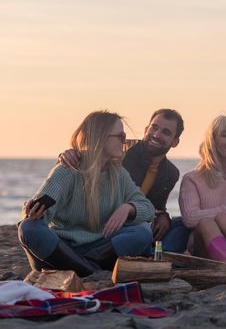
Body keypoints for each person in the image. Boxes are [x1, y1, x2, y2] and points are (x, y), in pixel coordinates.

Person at [18, 111, 155, 277]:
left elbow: (148, 208)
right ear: (101, 137)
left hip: (96, 249)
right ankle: (90, 270)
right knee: (28, 228)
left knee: (143, 231)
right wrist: (33, 213)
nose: (124, 141)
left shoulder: (118, 174)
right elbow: (37, 216)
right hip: (61, 248)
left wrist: (128, 207)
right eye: (120, 136)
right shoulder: (67, 170)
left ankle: (82, 267)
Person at [59, 109, 189, 253]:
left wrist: (163, 215)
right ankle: (148, 251)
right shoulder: (121, 150)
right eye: (154, 127)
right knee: (142, 231)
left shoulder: (171, 173)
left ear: (175, 142)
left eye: (166, 132)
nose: (156, 135)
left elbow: (156, 205)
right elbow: (90, 153)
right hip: (111, 222)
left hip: (138, 218)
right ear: (146, 129)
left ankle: (158, 253)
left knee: (184, 224)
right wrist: (70, 154)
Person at [179, 115, 226, 266]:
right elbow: (189, 218)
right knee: (208, 221)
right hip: (204, 247)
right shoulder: (192, 179)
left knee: (224, 218)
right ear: (213, 141)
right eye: (225, 135)